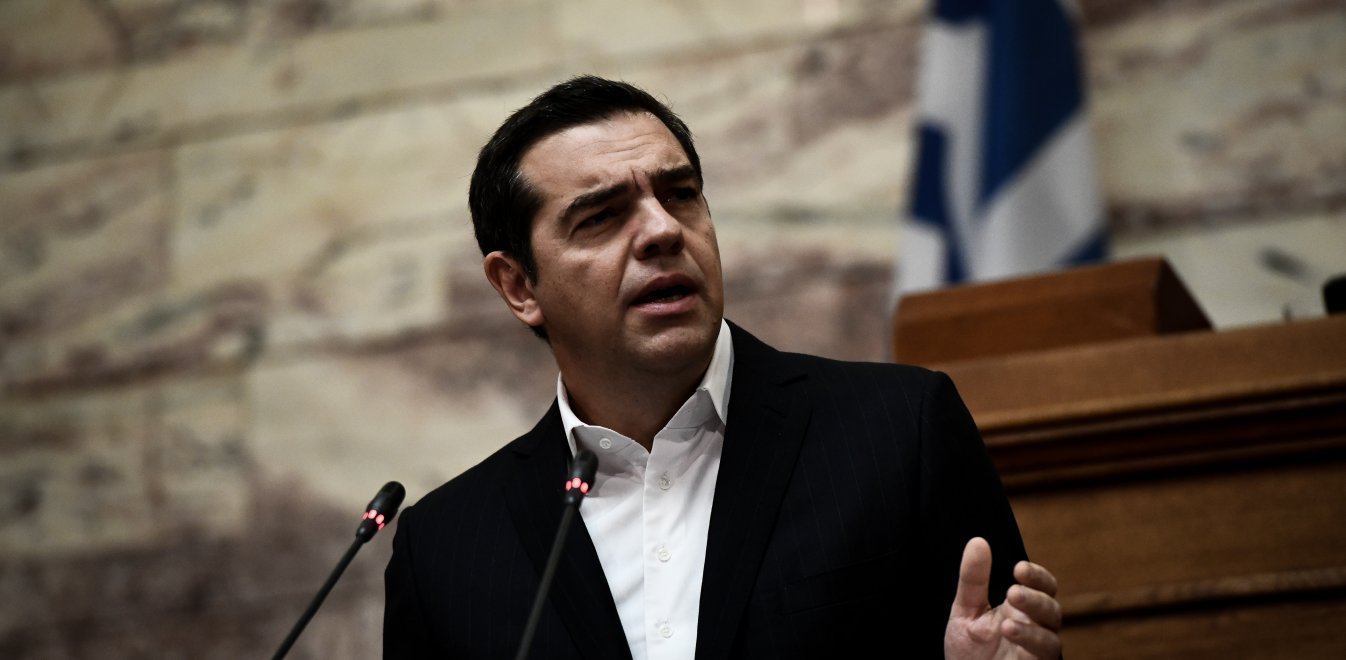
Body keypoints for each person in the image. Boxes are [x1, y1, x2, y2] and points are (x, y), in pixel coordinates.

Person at [384, 75, 1062, 659]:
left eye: (680, 194)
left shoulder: (898, 430)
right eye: (602, 216)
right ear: (518, 286)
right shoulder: (443, 551)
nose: (662, 230)